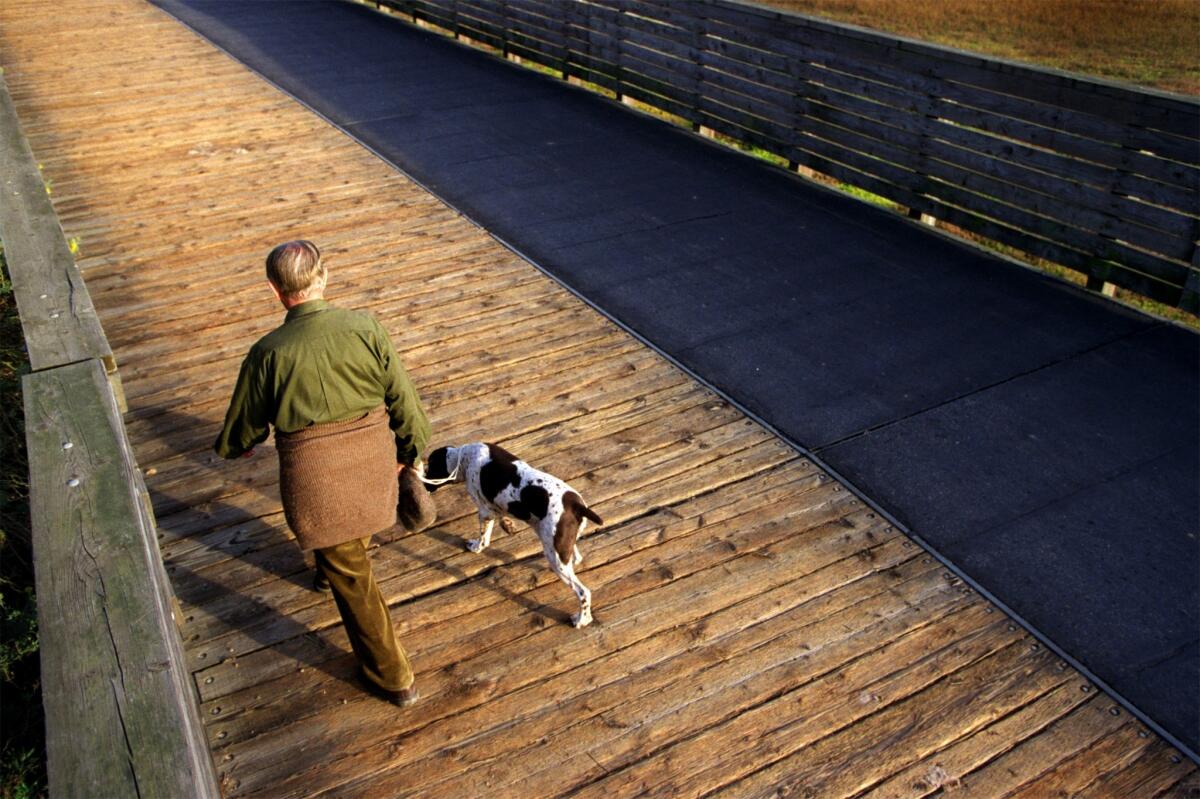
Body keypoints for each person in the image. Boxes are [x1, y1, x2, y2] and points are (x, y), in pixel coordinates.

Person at [214, 240, 430, 707]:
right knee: (350, 537)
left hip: (317, 485)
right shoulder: (366, 327)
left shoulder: (267, 352)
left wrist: (241, 445)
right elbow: (405, 403)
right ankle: (325, 573)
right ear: (324, 277)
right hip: (375, 468)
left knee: (354, 577)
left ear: (275, 291)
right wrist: (411, 454)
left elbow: (242, 430)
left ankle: (394, 677)